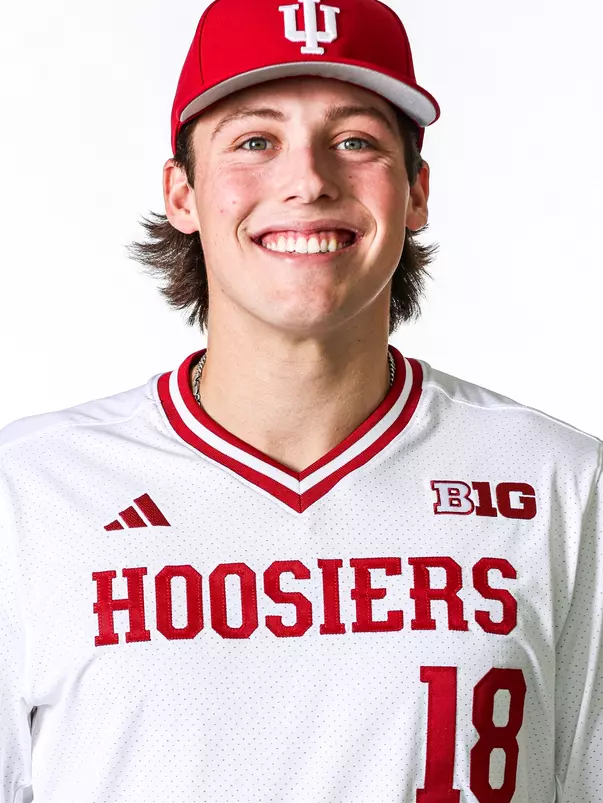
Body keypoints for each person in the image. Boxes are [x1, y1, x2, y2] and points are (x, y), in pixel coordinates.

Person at [1, 0, 601, 799]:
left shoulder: (559, 483)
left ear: (416, 193)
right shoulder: (29, 492)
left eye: (354, 141)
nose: (309, 181)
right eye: (255, 141)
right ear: (182, 193)